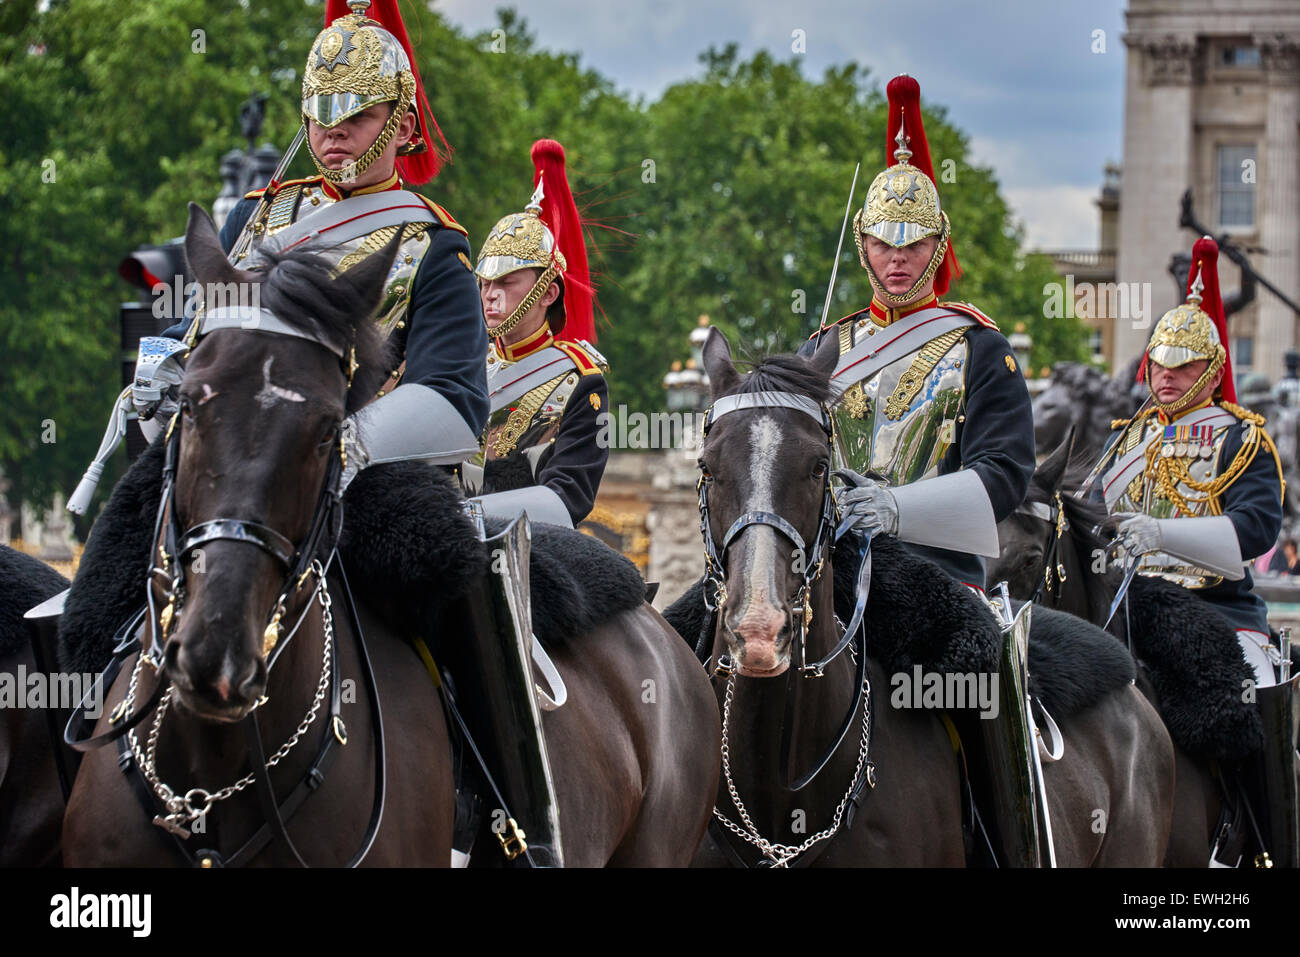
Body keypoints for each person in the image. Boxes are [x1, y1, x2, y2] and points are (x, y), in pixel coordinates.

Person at [802, 74, 1039, 867]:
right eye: (881, 244)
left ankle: (1007, 845)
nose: (896, 261)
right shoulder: (823, 347)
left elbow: (1006, 474)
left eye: (912, 246)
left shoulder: (979, 347)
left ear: (938, 246)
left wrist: (896, 511)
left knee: (981, 693)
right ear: (863, 243)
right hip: (826, 570)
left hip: (937, 572)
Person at [1095, 235, 1295, 866]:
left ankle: (1273, 845)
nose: (1166, 375)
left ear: (1210, 369)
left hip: (1221, 616)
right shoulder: (1122, 441)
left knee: (1262, 705)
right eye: (1159, 363)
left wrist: (1163, 534)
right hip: (1127, 611)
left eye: (1182, 365)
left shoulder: (1243, 439)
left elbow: (1256, 532)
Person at [462, 139, 610, 527]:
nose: (490, 295)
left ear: (548, 291)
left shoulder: (580, 380)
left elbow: (569, 496)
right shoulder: (461, 361)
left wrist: (467, 517)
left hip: (531, 548)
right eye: (484, 283)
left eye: (507, 281)